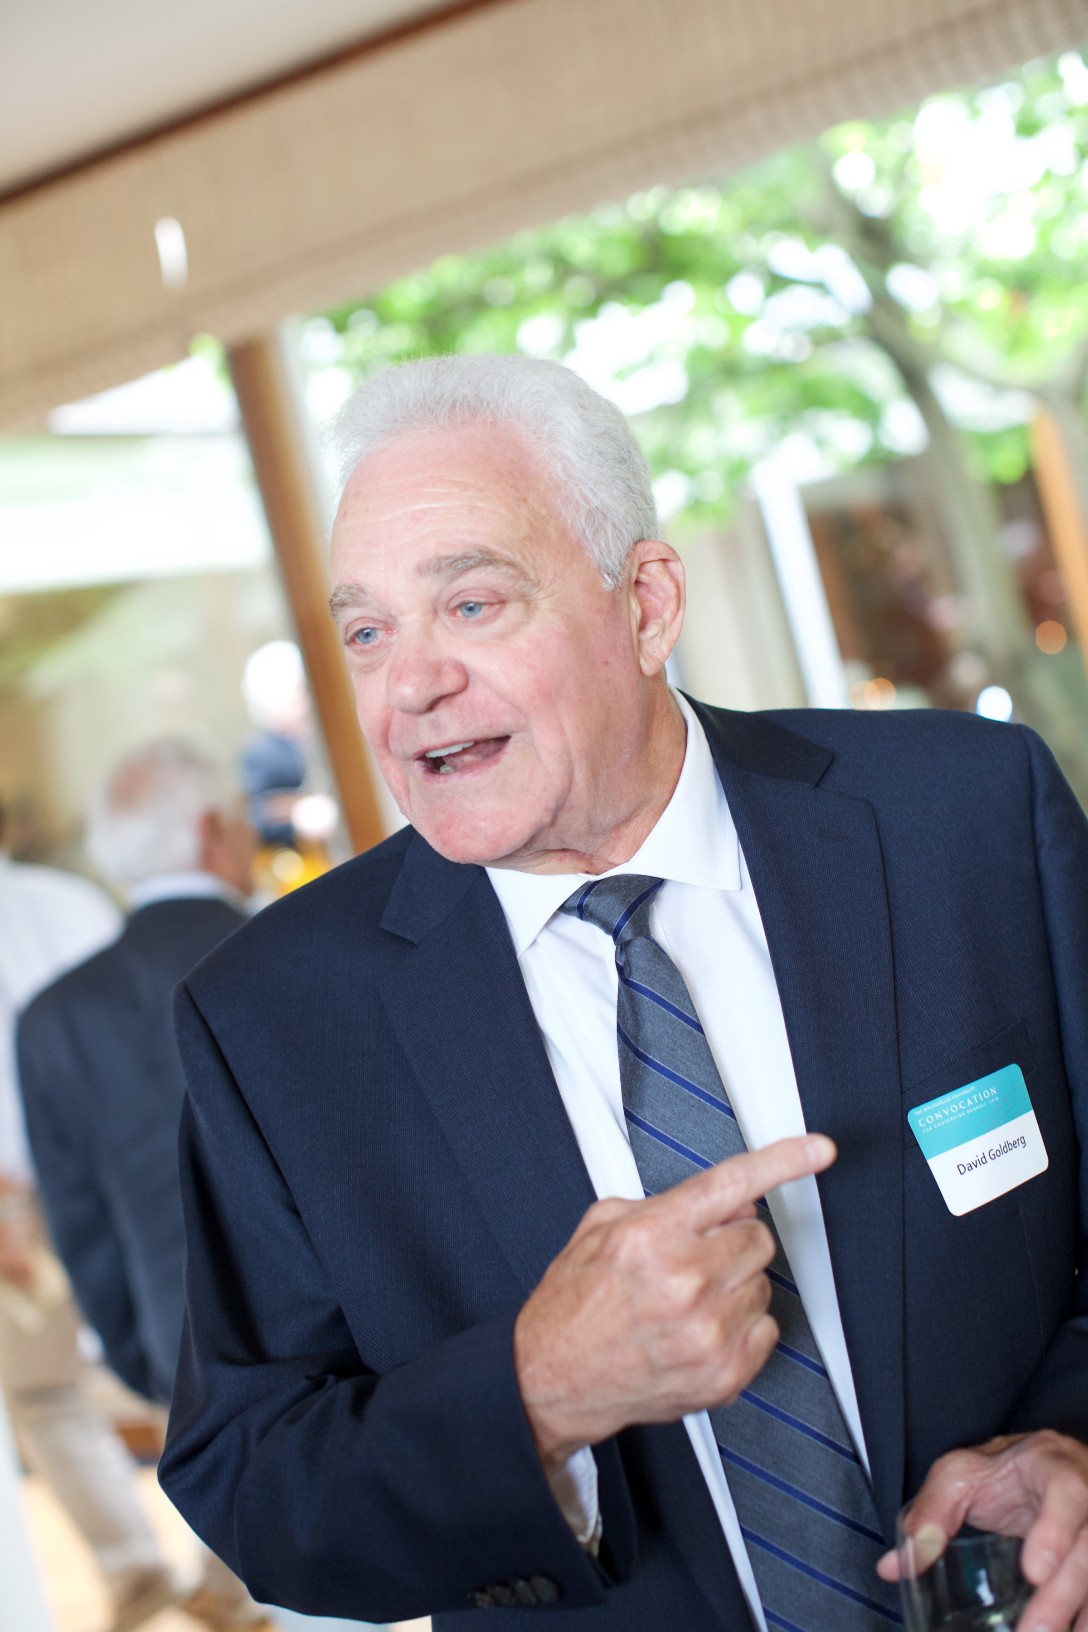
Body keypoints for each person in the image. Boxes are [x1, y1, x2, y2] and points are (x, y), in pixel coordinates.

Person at [158, 354, 1088, 1632]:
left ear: (646, 606)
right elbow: (256, 1490)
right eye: (367, 632)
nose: (409, 685)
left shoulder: (966, 817)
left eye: (471, 604)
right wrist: (537, 1391)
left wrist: (1071, 1441)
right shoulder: (274, 1019)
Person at [15, 741, 275, 1632]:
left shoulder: (55, 1015)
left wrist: (147, 1360)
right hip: (354, 1340)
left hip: (177, 1341)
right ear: (213, 832)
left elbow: (80, 1223)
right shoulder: (289, 946)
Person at [0, 797, 181, 1632]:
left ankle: (136, 1566)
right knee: (183, 1354)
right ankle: (226, 1575)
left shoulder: (61, 901)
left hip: (23, 1192)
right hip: (123, 1161)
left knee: (45, 1392)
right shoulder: (70, 900)